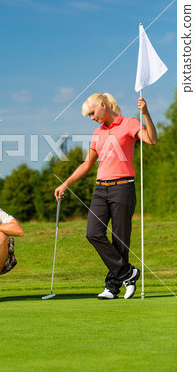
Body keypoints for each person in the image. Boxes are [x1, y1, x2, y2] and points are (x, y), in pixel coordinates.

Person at [55, 92, 157, 300]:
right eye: (89, 116)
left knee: (120, 240)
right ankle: (129, 273)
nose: (92, 118)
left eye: (92, 113)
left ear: (103, 105)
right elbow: (87, 164)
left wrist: (145, 113)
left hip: (123, 188)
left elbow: (152, 140)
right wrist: (66, 183)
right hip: (100, 190)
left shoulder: (129, 123)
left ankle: (112, 287)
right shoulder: (97, 133)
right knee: (93, 233)